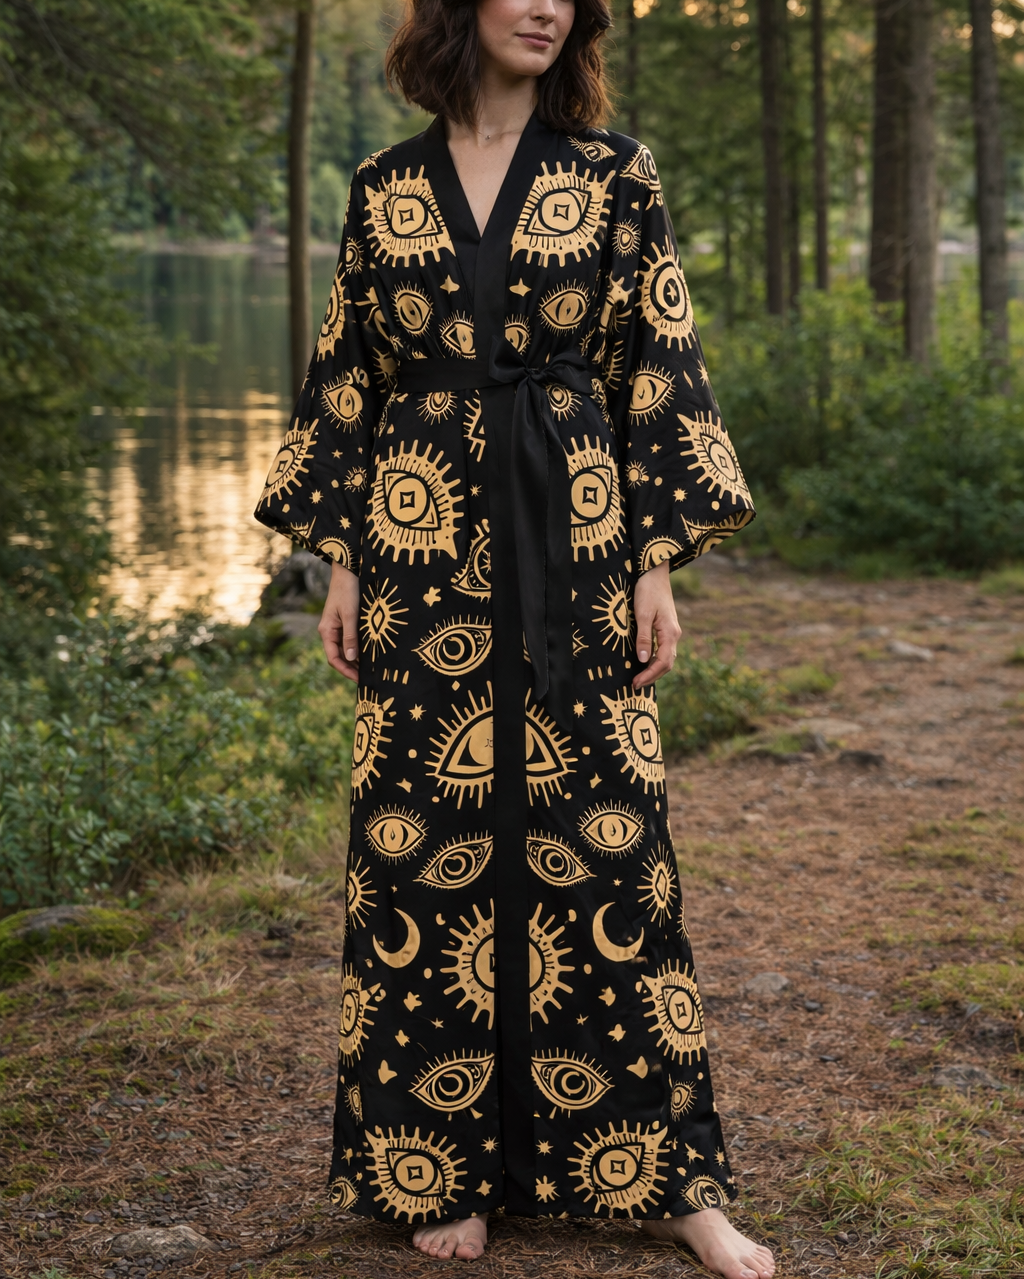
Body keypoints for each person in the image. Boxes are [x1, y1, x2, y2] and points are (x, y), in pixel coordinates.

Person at [255, 0, 773, 1275]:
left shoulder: (615, 173)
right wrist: (342, 562)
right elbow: (347, 378)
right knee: (420, 845)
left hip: (577, 536)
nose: (547, 5)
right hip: (419, 535)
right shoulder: (384, 186)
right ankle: (441, 1163)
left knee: (609, 847)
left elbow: (657, 363)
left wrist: (655, 563)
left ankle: (667, 1177)